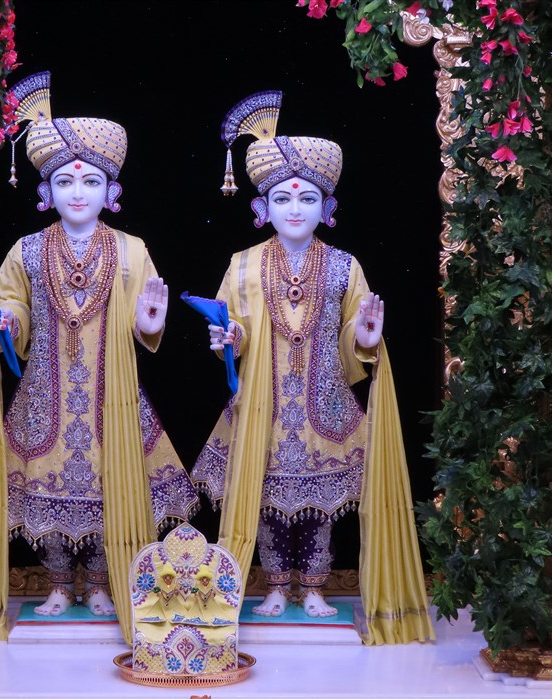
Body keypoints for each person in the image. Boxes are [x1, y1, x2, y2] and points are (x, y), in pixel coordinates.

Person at [0, 71, 198, 643]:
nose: (77, 192)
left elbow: (147, 315)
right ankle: (58, 582)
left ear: (111, 190)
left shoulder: (131, 249)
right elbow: (11, 303)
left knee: (111, 484)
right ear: (46, 191)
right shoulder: (27, 249)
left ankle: (102, 581)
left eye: (90, 181)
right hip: (46, 392)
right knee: (46, 484)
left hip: (111, 393)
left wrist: (150, 322)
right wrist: (5, 321)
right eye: (64, 181)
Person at [190, 91, 434, 644]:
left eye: (307, 197)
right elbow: (232, 323)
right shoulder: (243, 264)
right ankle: (276, 585)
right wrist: (228, 337)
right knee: (268, 499)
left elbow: (354, 332)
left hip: (325, 405)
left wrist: (365, 337)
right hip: (265, 404)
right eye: (282, 197)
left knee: (321, 505)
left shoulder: (346, 265)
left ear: (327, 206)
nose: (295, 208)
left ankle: (316, 586)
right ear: (263, 207)